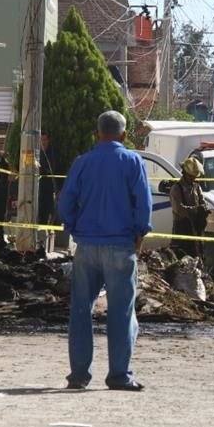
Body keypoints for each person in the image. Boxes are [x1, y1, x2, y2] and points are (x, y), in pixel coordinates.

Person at [58, 111, 151, 391]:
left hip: (87, 246)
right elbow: (143, 203)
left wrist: (75, 228)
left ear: (98, 133)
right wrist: (139, 233)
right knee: (121, 312)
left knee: (80, 311)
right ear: (123, 134)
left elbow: (66, 202)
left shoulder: (82, 162)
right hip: (121, 245)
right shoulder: (132, 161)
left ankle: (79, 375)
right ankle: (119, 375)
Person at [170, 157, 208, 259]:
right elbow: (179, 209)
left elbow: (203, 202)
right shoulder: (176, 188)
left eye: (194, 176)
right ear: (185, 173)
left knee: (197, 257)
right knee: (181, 259)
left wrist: (204, 209)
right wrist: (196, 209)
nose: (193, 178)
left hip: (196, 230)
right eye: (191, 176)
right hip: (182, 230)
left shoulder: (197, 187)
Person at [37, 132, 62, 251]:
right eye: (41, 140)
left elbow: (59, 171)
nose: (43, 142)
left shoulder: (53, 154)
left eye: (45, 140)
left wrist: (59, 189)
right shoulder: (34, 153)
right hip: (34, 189)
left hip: (48, 189)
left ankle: (42, 244)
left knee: (46, 214)